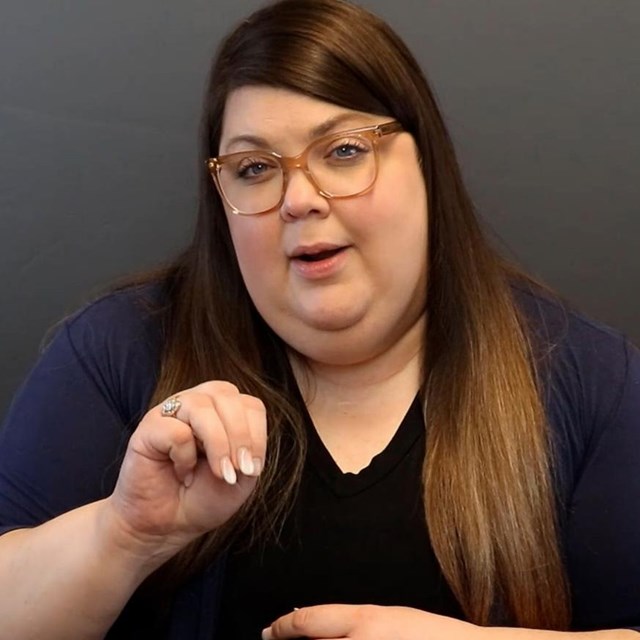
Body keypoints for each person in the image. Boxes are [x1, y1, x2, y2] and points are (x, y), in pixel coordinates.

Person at [0, 0, 639, 638]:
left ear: (428, 164)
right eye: (255, 168)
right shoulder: (121, 350)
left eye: (342, 151)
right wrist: (123, 534)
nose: (300, 199)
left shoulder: (590, 381)